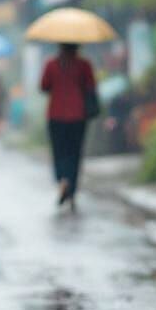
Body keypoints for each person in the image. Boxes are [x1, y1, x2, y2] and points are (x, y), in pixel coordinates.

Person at [40, 43, 96, 212]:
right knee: (75, 152)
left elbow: (44, 86)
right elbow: (91, 86)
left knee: (59, 151)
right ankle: (71, 190)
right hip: (77, 115)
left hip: (56, 114)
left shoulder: (51, 64)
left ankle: (62, 180)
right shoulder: (84, 65)